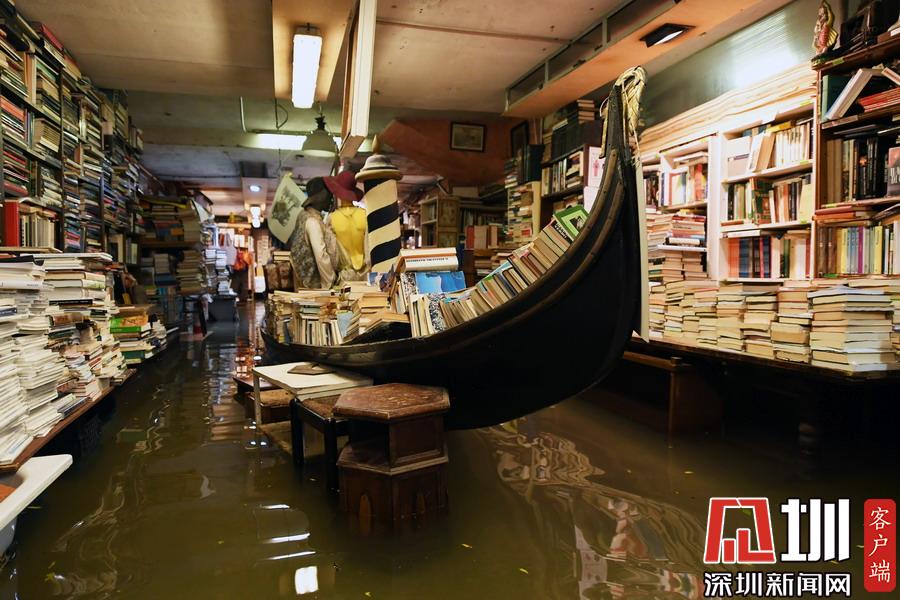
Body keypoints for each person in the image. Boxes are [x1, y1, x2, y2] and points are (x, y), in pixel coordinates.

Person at [289, 177, 341, 289]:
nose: (331, 199)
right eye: (329, 195)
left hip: (303, 284)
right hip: (314, 287)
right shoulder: (313, 222)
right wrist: (331, 282)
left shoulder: (303, 215)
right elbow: (321, 255)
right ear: (322, 196)